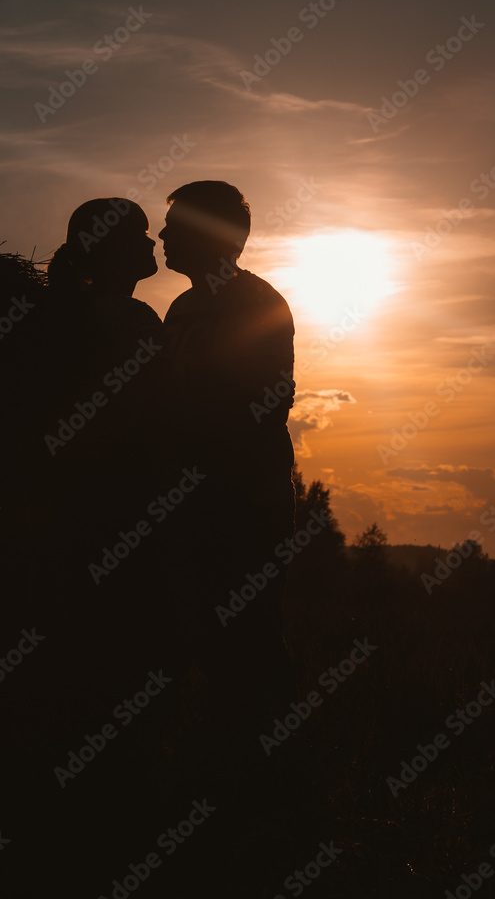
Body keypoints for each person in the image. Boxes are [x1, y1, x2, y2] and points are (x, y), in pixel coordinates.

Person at [159, 180, 296, 730]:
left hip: (241, 494)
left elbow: (267, 403)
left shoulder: (256, 302)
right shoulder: (185, 305)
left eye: (176, 225)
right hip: (197, 494)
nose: (164, 234)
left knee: (249, 633)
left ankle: (268, 764)